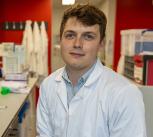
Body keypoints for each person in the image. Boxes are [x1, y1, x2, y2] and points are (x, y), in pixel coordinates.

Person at [36, 4, 146, 137]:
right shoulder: (48, 85)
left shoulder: (124, 93)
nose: (77, 44)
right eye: (70, 35)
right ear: (61, 40)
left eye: (88, 36)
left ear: (101, 44)